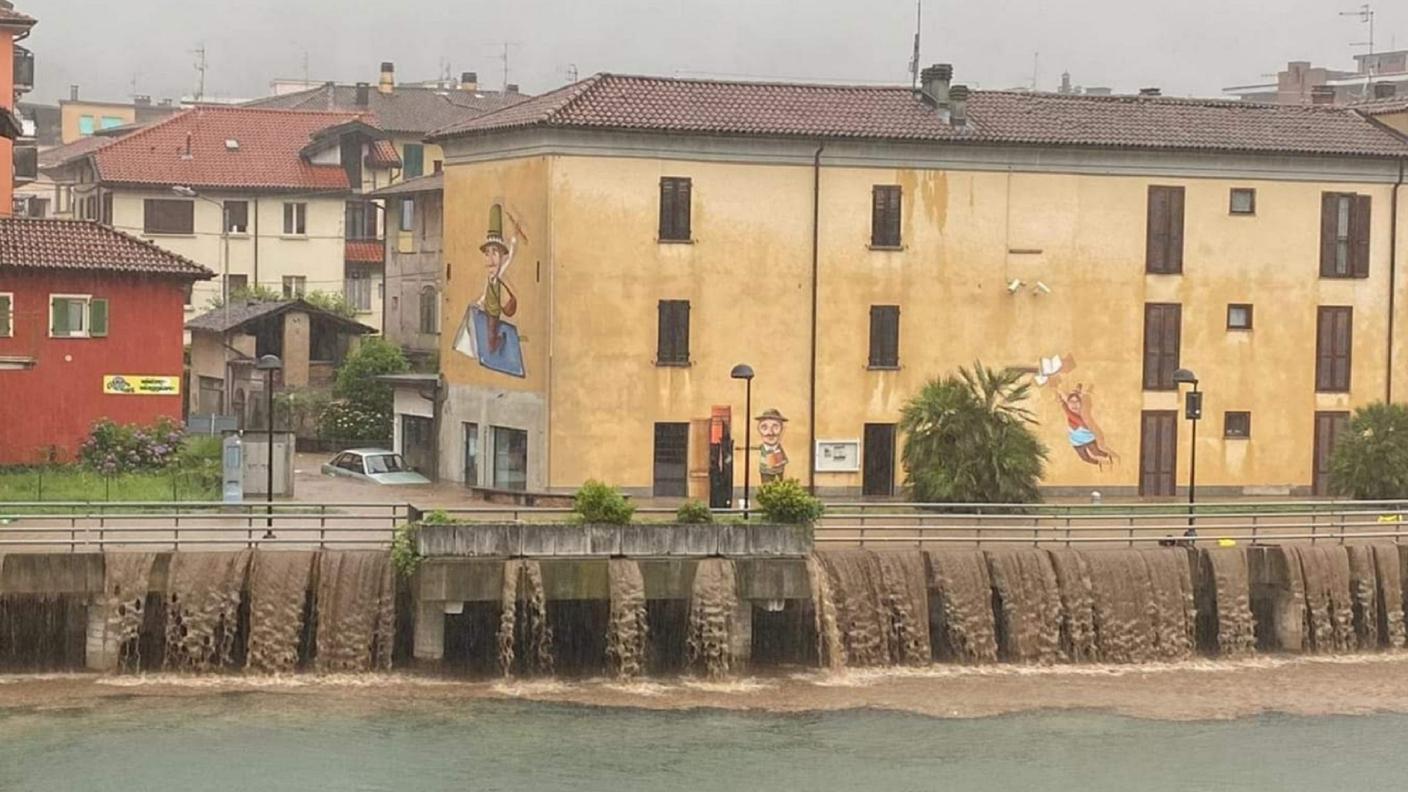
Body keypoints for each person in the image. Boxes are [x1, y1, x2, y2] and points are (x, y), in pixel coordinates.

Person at [756, 408, 789, 483]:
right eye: (764, 428)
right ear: (759, 429)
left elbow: (782, 462)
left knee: (778, 482)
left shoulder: (778, 450)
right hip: (765, 471)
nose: (770, 433)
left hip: (778, 471)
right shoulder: (762, 448)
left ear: (782, 430)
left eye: (775, 427)